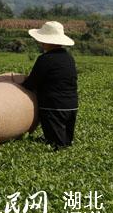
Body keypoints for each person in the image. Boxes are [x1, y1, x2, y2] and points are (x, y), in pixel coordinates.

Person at [22, 21, 78, 149]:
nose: (41, 43)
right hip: (72, 106)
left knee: (57, 146)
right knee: (66, 141)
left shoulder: (45, 59)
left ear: (48, 41)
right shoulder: (69, 58)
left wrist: (20, 84)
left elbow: (31, 84)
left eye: (43, 40)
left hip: (53, 107)